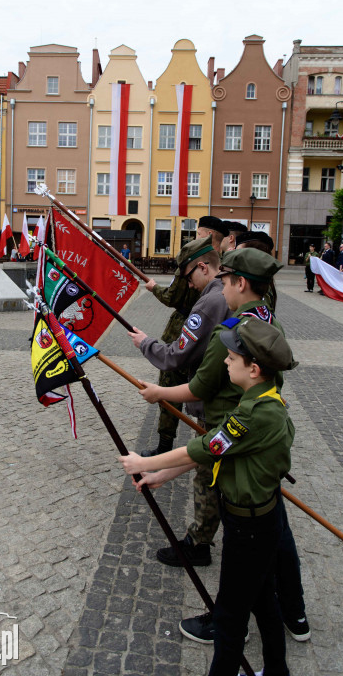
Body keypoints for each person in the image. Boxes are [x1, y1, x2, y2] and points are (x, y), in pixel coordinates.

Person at [135, 248, 310, 642]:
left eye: (226, 281)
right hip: (261, 438)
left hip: (233, 434)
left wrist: (158, 397)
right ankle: (293, 612)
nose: (221, 287)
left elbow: (201, 388)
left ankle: (229, 622)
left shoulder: (233, 330)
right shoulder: (270, 320)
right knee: (274, 531)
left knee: (241, 539)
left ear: (240, 283)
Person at [120, 318, 298, 676]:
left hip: (249, 527)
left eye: (232, 357)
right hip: (260, 520)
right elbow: (215, 451)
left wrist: (144, 461)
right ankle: (277, 671)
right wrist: (160, 475)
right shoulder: (261, 397)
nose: (226, 361)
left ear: (255, 368)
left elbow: (203, 447)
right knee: (263, 600)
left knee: (229, 616)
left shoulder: (254, 414)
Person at [129, 237, 229, 566]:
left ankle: (199, 543)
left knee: (207, 471)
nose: (187, 283)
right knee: (210, 463)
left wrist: (145, 343)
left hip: (218, 404)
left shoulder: (210, 302)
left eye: (188, 276)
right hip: (222, 400)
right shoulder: (226, 295)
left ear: (203, 267)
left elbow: (176, 355)